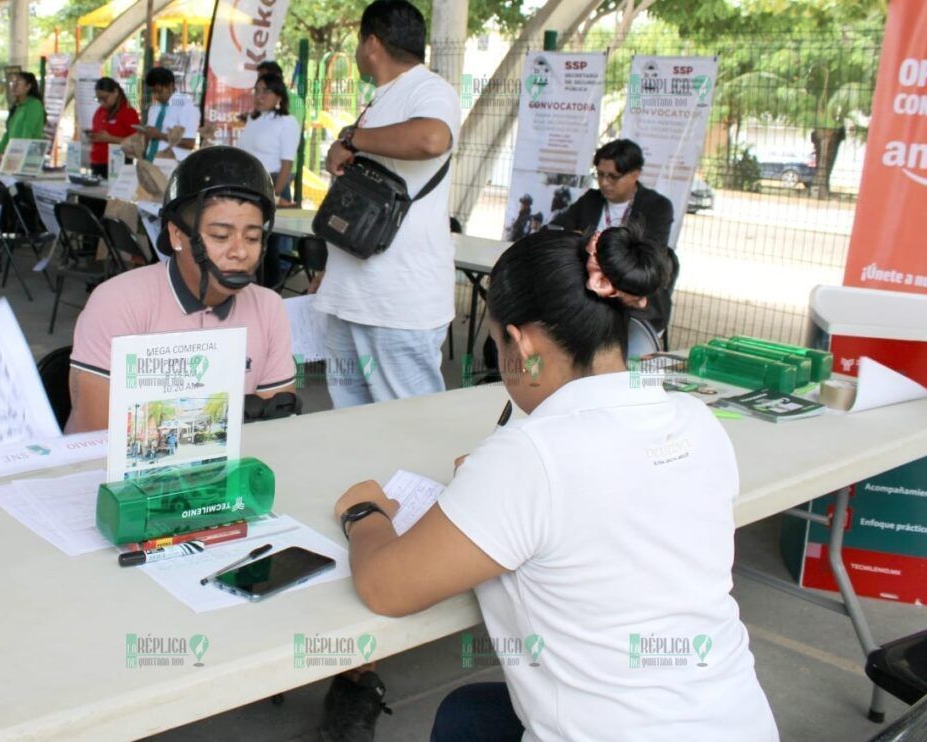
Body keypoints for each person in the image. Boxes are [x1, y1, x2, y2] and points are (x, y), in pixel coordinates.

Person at [332, 226, 779, 742]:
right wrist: (491, 488)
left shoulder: (529, 458)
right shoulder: (694, 418)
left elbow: (386, 588)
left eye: (497, 343)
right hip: (738, 724)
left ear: (521, 343)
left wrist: (365, 514)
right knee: (468, 715)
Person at [65, 147, 296, 433]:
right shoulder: (116, 302)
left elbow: (273, 429)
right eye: (221, 236)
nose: (239, 251)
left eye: (253, 237)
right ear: (176, 235)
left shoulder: (269, 307)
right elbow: (96, 438)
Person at [313, 0, 461, 408]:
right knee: (351, 419)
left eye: (360, 43)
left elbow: (432, 139)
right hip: (354, 293)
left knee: (409, 423)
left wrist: (352, 140)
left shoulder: (429, 88)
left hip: (399, 302)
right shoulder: (383, 98)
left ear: (372, 43)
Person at [551, 138, 676, 334]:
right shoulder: (591, 199)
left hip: (631, 296)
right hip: (585, 291)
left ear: (635, 174)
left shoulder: (657, 207)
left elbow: (647, 256)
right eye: (600, 175)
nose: (604, 183)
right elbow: (558, 230)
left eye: (613, 176)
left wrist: (587, 243)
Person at [236, 72, 302, 288]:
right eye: (257, 90)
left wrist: (275, 194)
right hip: (247, 185)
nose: (259, 95)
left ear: (279, 96)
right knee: (248, 241)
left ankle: (270, 294)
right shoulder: (253, 120)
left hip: (271, 184)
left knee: (268, 246)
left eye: (266, 91)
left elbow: (287, 163)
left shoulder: (287, 122)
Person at [86, 77, 140, 178]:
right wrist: (93, 136)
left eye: (105, 98)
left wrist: (110, 139)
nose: (102, 102)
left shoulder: (128, 112)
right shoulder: (100, 111)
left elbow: (137, 143)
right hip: (97, 163)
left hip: (118, 164)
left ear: (115, 92)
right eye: (98, 99)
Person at [142, 67, 199, 162]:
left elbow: (189, 143)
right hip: (151, 162)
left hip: (173, 164)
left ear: (170, 86)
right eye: (153, 92)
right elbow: (150, 137)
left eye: (159, 91)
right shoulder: (154, 107)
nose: (156, 96)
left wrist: (160, 135)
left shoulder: (186, 106)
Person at [0, 72, 46, 158]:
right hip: (15, 154)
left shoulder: (34, 105)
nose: (14, 86)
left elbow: (28, 131)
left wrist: (19, 154)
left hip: (28, 156)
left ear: (28, 87)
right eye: (13, 82)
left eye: (18, 83)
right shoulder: (17, 106)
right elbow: (9, 133)